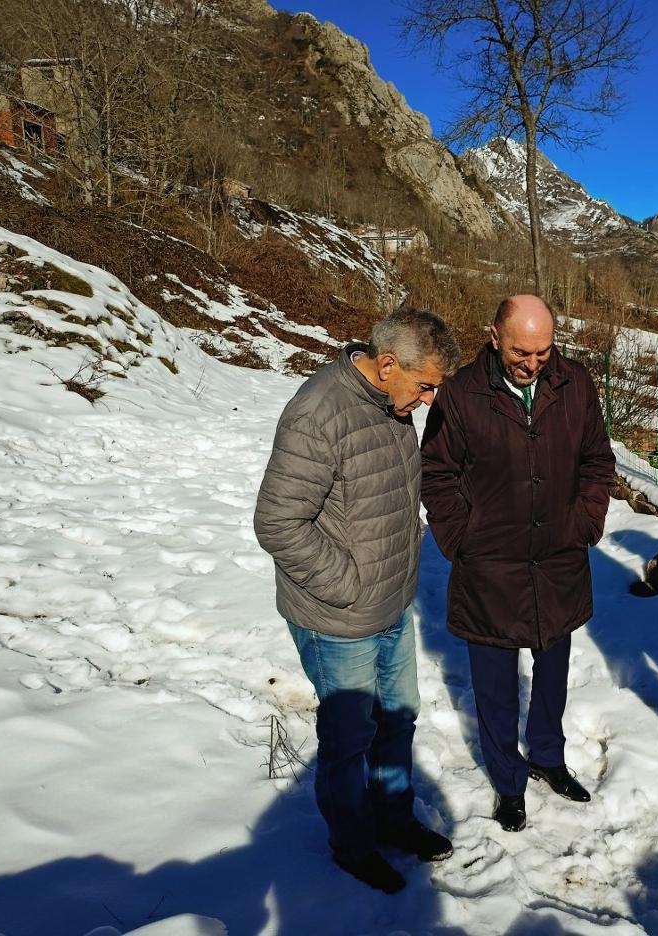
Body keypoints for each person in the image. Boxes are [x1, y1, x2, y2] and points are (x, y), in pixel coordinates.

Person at [253, 309, 461, 894]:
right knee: (349, 740)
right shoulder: (318, 414)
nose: (427, 400)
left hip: (392, 605)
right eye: (425, 386)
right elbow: (277, 522)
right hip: (338, 617)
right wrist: (350, 586)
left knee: (398, 719)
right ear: (389, 364)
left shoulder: (390, 404)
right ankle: (353, 846)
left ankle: (393, 822)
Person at [420, 294, 615, 832]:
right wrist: (463, 539)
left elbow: (598, 459)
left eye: (543, 351)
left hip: (558, 560)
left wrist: (585, 522)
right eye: (520, 353)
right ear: (494, 337)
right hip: (490, 567)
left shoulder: (575, 383)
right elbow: (436, 472)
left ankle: (549, 758)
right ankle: (508, 782)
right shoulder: (459, 395)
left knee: (552, 675)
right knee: (495, 685)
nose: (533, 363)